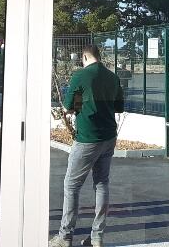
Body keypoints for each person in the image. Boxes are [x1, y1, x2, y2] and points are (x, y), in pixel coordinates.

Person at [49, 45, 124, 247]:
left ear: (84, 57)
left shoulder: (80, 76)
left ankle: (65, 236)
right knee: (101, 183)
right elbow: (118, 107)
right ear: (99, 56)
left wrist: (78, 106)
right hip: (109, 137)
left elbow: (68, 107)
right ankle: (97, 237)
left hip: (87, 138)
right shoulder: (113, 77)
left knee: (71, 185)